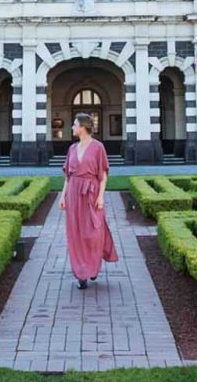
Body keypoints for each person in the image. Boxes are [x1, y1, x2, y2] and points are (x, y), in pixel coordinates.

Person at [62, 112, 118, 289]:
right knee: (76, 233)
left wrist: (101, 196)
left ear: (83, 127)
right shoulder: (72, 149)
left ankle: (92, 265)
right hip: (73, 193)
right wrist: (63, 197)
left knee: (93, 232)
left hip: (92, 194)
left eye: (74, 124)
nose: (72, 127)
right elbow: (67, 177)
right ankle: (82, 273)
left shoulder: (98, 147)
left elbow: (103, 176)